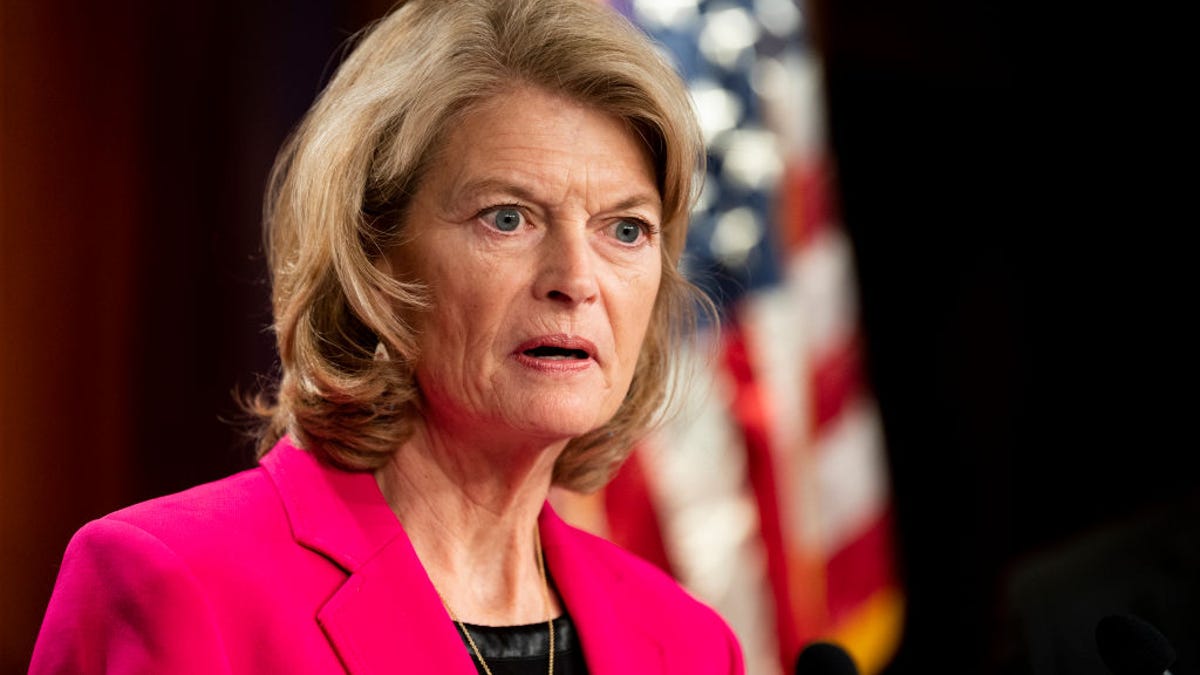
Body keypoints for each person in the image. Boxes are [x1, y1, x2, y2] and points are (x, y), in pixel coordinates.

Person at [29, 0, 744, 673]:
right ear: (374, 256)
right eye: (507, 218)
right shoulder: (177, 582)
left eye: (626, 230)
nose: (577, 280)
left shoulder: (690, 644)